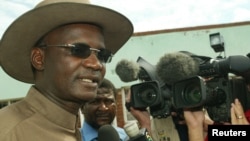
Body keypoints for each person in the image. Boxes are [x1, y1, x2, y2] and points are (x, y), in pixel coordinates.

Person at [0, 0, 133, 141]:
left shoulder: (71, 130)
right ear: (39, 58)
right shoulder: (8, 132)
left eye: (102, 55)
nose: (96, 64)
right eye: (78, 50)